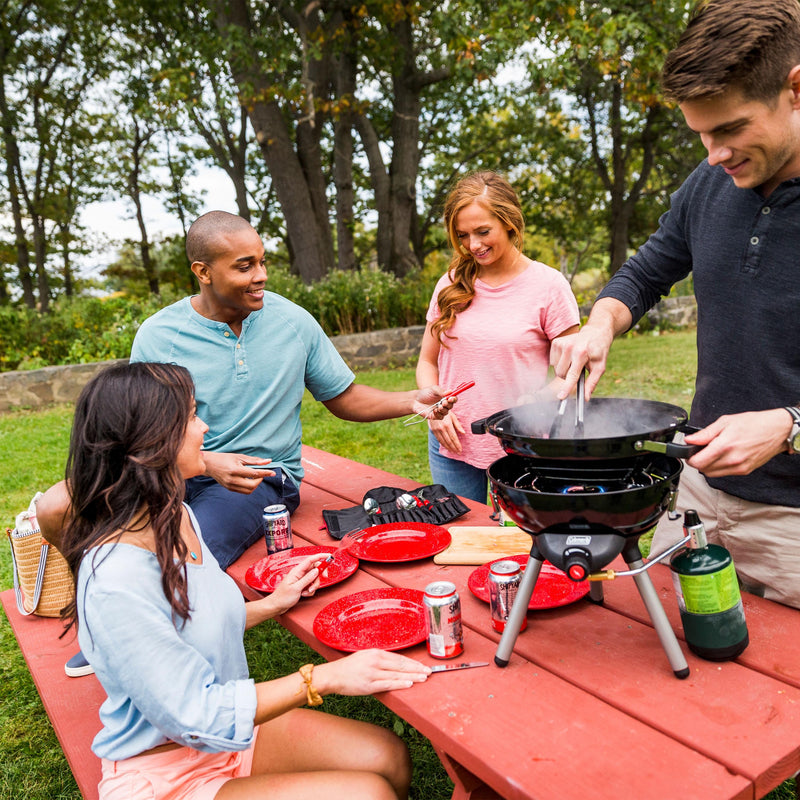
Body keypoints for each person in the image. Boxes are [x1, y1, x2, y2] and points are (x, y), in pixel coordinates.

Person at [44, 361, 430, 800]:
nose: (204, 427)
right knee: (367, 794)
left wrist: (273, 603)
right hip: (164, 771)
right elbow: (196, 714)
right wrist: (320, 678)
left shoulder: (178, 517)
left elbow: (191, 624)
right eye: (190, 416)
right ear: (151, 443)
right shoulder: (116, 578)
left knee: (387, 756)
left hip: (225, 739)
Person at [549, 0, 800, 608]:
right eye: (701, 135)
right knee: (675, 661)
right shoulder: (711, 181)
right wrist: (600, 323)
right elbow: (647, 270)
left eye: (730, 129)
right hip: (694, 495)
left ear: (795, 89)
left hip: (793, 524)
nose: (714, 154)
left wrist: (790, 425)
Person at [128, 211, 455, 570]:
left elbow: (343, 397)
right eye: (244, 266)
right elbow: (142, 434)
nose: (261, 276)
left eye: (262, 261)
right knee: (91, 525)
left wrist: (411, 399)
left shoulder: (292, 321)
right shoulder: (159, 336)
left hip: (256, 480)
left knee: (184, 550)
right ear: (202, 272)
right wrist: (205, 462)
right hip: (173, 472)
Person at [416, 171, 580, 503]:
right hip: (452, 443)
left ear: (509, 222)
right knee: (463, 544)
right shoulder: (450, 283)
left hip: (522, 444)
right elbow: (426, 362)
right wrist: (434, 411)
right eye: (462, 235)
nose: (472, 245)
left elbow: (572, 377)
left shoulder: (549, 286)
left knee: (523, 547)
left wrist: (534, 405)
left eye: (483, 231)